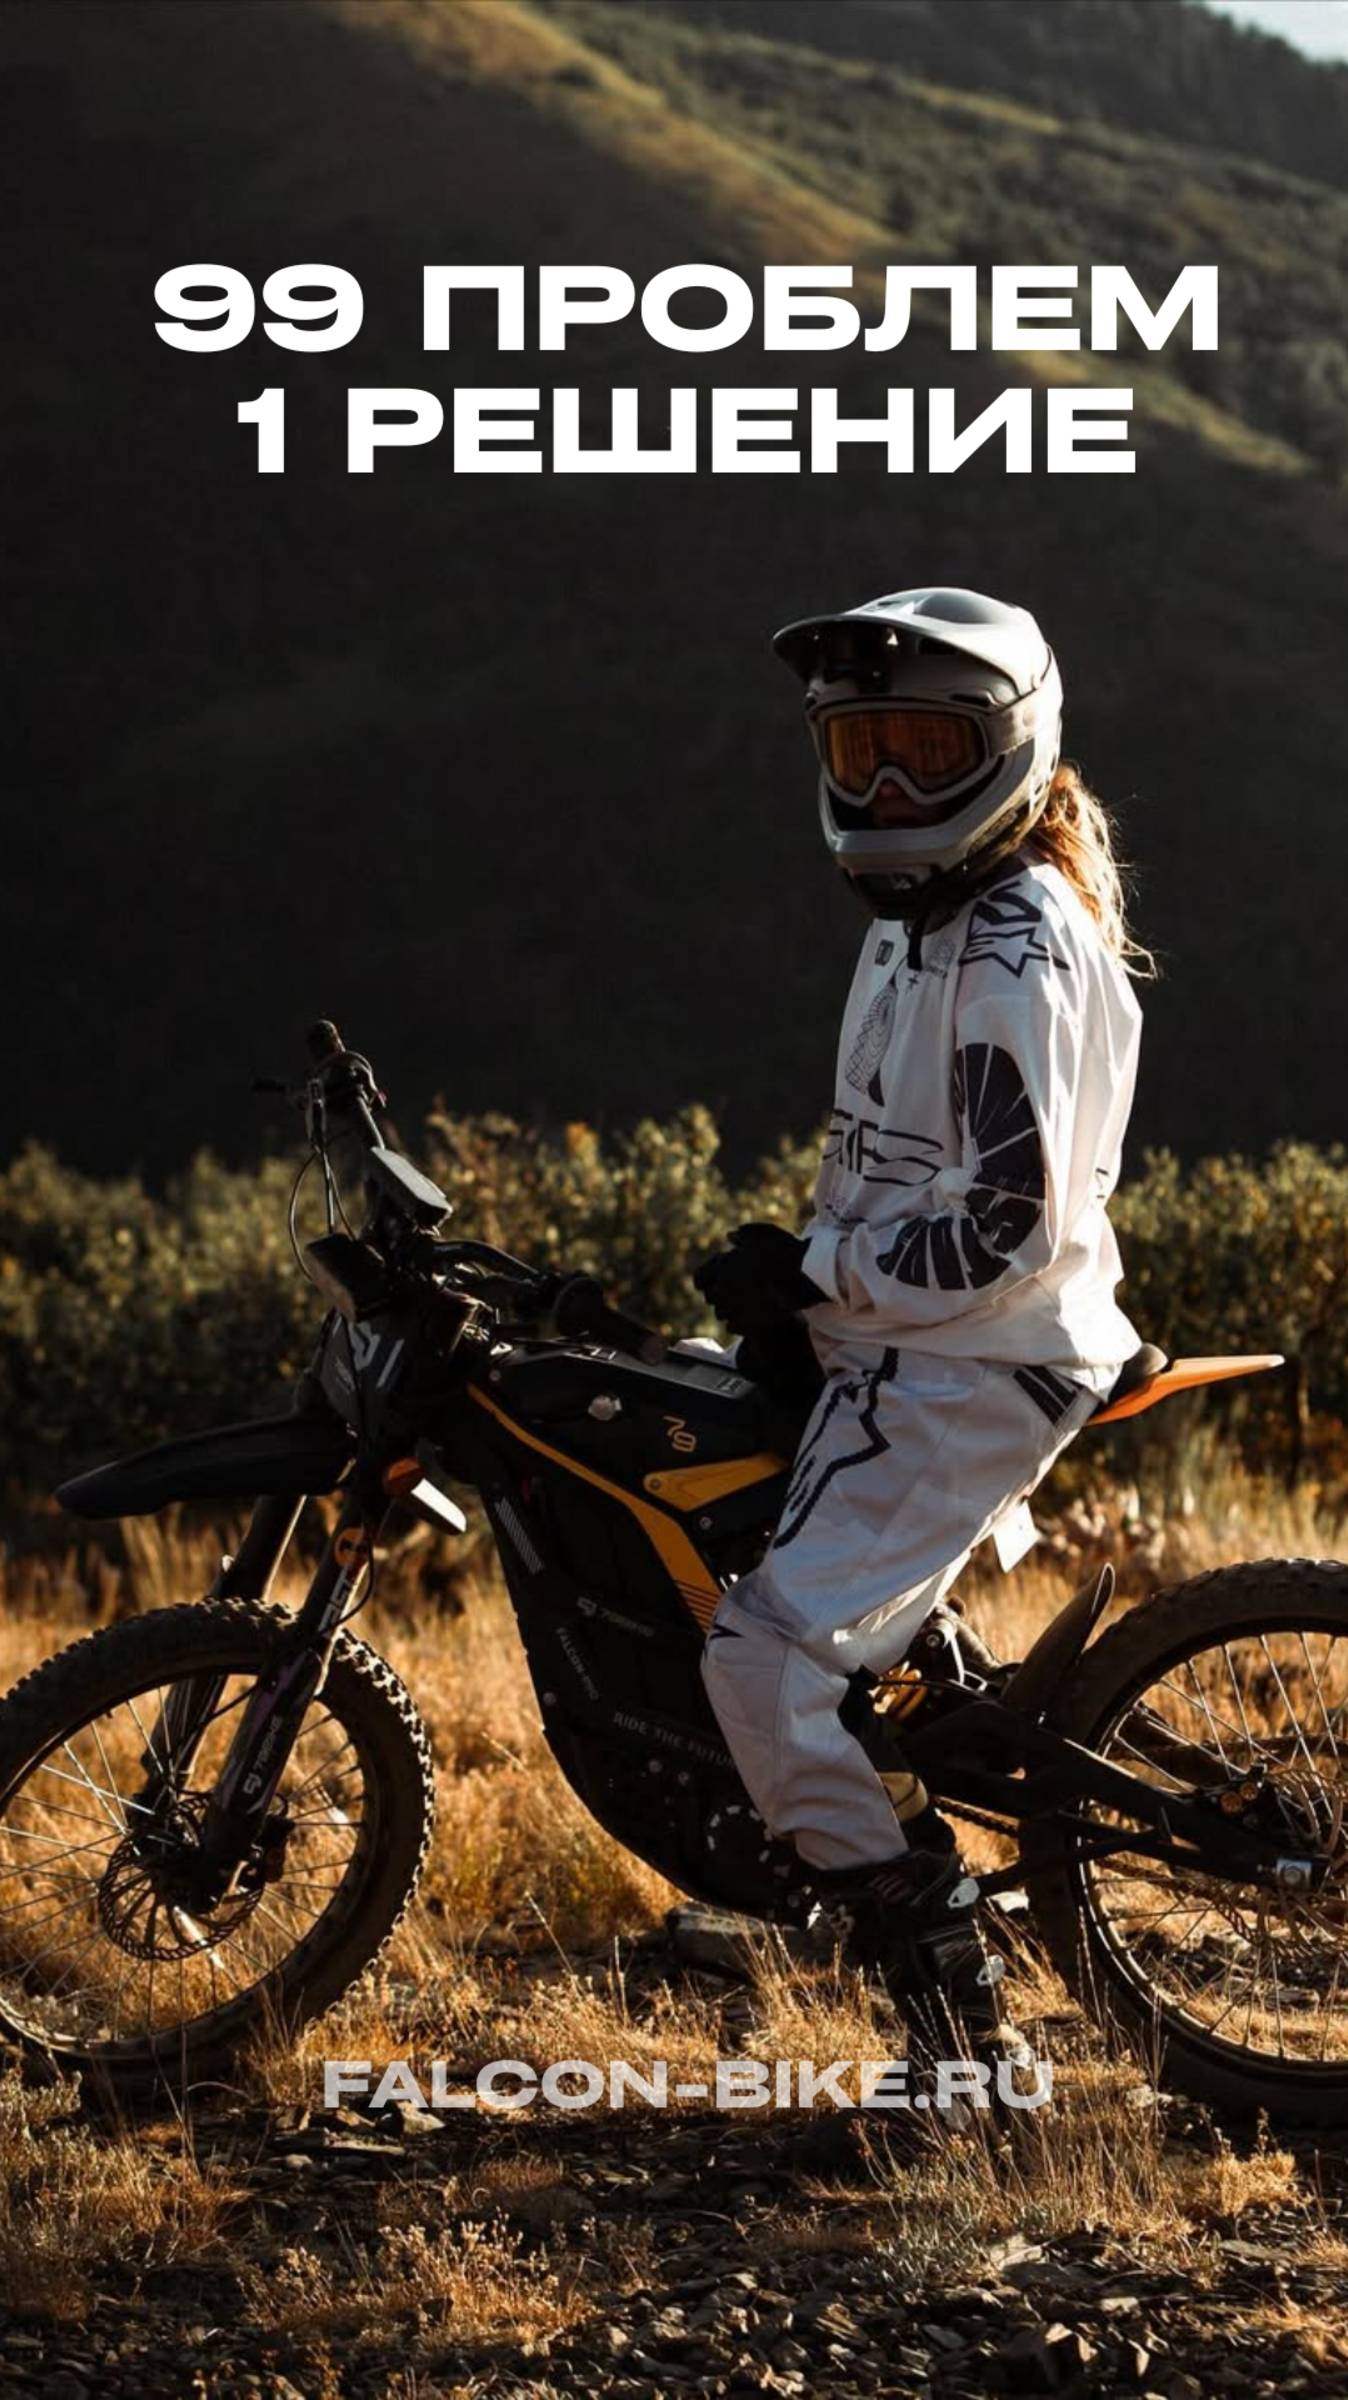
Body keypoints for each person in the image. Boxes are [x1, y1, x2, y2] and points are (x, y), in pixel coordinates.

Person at [695, 585, 1150, 2102]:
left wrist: (815, 1270)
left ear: (1008, 748)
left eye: (925, 749)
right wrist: (804, 1288)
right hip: (906, 1334)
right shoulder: (931, 915)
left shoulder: (1011, 945)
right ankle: (841, 1790)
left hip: (973, 1356)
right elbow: (905, 1165)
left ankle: (950, 1997)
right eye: (859, 749)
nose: (887, 785)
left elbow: (998, 1226)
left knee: (763, 1657)